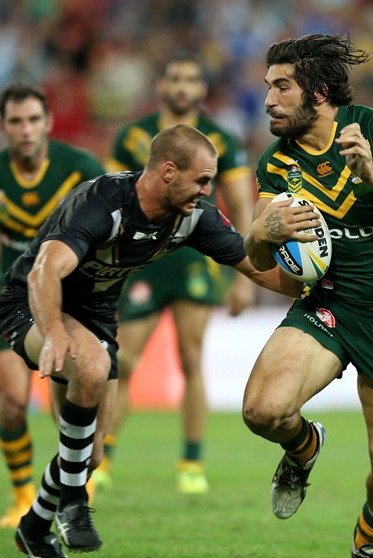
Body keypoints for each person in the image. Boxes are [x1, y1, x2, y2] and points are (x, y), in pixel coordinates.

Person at [0, 124, 300, 558]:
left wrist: (319, 289)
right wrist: (56, 335)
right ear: (169, 172)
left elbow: (255, 267)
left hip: (95, 315)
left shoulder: (193, 217)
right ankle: (73, 503)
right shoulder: (100, 203)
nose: (206, 189)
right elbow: (45, 270)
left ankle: (34, 529)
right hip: (32, 301)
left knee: (91, 454)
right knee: (92, 367)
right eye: (201, 179)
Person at [241, 34, 373, 558]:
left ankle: (369, 536)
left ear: (318, 92)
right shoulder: (277, 163)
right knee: (262, 412)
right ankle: (304, 446)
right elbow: (268, 260)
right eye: (267, 86)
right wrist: (259, 235)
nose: (268, 99)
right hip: (329, 308)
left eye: (282, 87)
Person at [100, 52, 256, 494]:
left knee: (191, 360)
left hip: (195, 257)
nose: (183, 86)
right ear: (161, 86)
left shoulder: (222, 139)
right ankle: (104, 457)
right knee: (124, 361)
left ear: (202, 89)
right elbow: (108, 196)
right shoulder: (132, 136)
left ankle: (191, 462)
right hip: (140, 259)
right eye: (175, 78)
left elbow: (240, 202)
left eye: (191, 79)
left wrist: (245, 273)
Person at [0, 82, 106, 530]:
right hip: (16, 303)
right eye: (16, 122)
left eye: (34, 120)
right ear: (2, 127)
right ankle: (22, 496)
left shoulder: (80, 168)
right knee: (12, 405)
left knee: (71, 399)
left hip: (74, 303)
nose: (25, 130)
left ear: (49, 123)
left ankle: (73, 485)